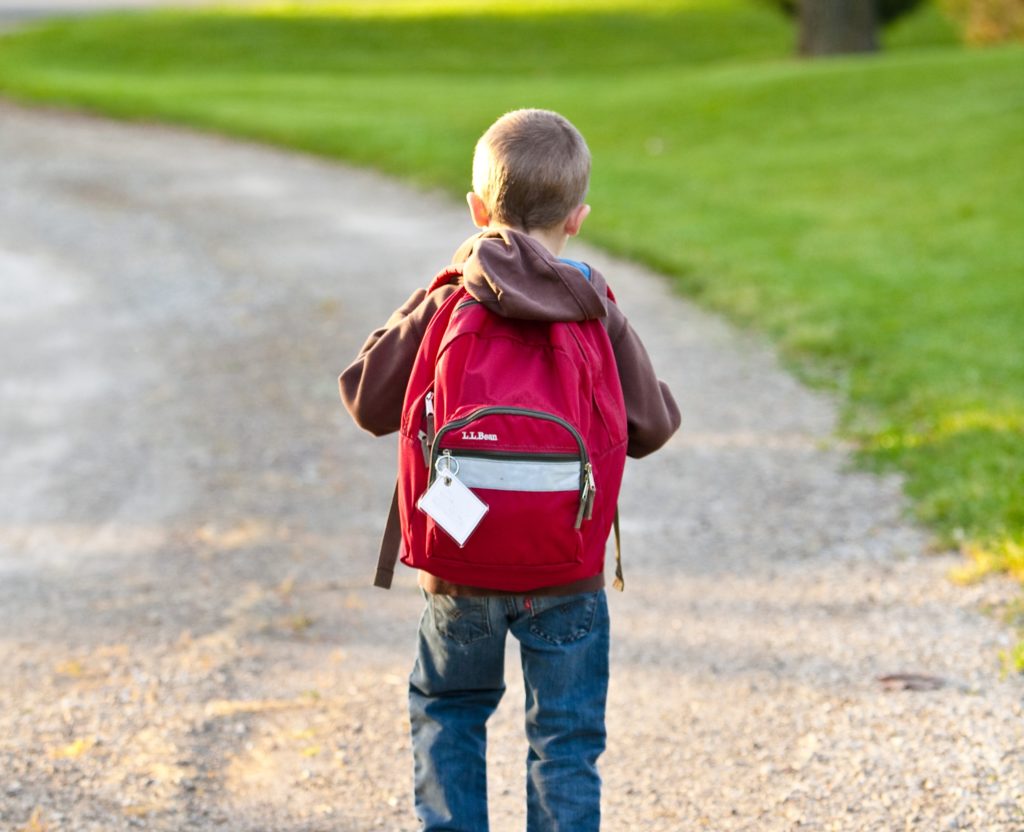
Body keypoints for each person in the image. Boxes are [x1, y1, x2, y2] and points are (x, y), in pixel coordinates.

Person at [339, 108, 680, 832]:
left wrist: (426, 300)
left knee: (449, 714)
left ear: (477, 208)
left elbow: (366, 399)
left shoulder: (450, 297)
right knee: (564, 742)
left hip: (462, 563)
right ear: (579, 218)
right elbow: (651, 429)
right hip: (568, 571)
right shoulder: (595, 306)